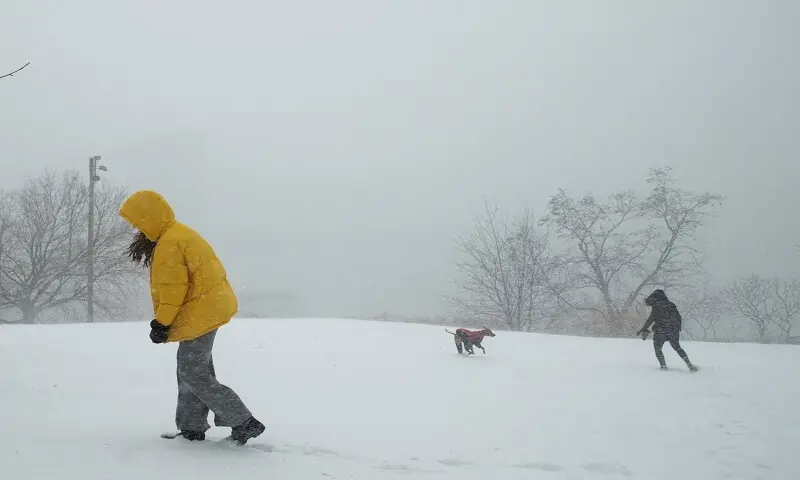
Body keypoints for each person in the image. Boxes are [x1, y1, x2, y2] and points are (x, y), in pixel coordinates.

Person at [119, 189, 265, 444]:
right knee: (191, 370)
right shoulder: (178, 233)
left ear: (148, 218)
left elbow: (173, 289)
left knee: (192, 373)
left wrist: (162, 323)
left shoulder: (169, 243)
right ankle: (191, 427)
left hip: (202, 312)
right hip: (205, 308)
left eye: (137, 223)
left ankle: (243, 421)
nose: (137, 229)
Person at [636, 289, 698, 372]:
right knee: (677, 347)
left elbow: (651, 319)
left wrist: (643, 329)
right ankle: (689, 365)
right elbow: (678, 317)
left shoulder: (656, 307)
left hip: (660, 331)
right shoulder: (671, 305)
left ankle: (663, 366)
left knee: (658, 349)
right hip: (673, 331)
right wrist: (676, 328)